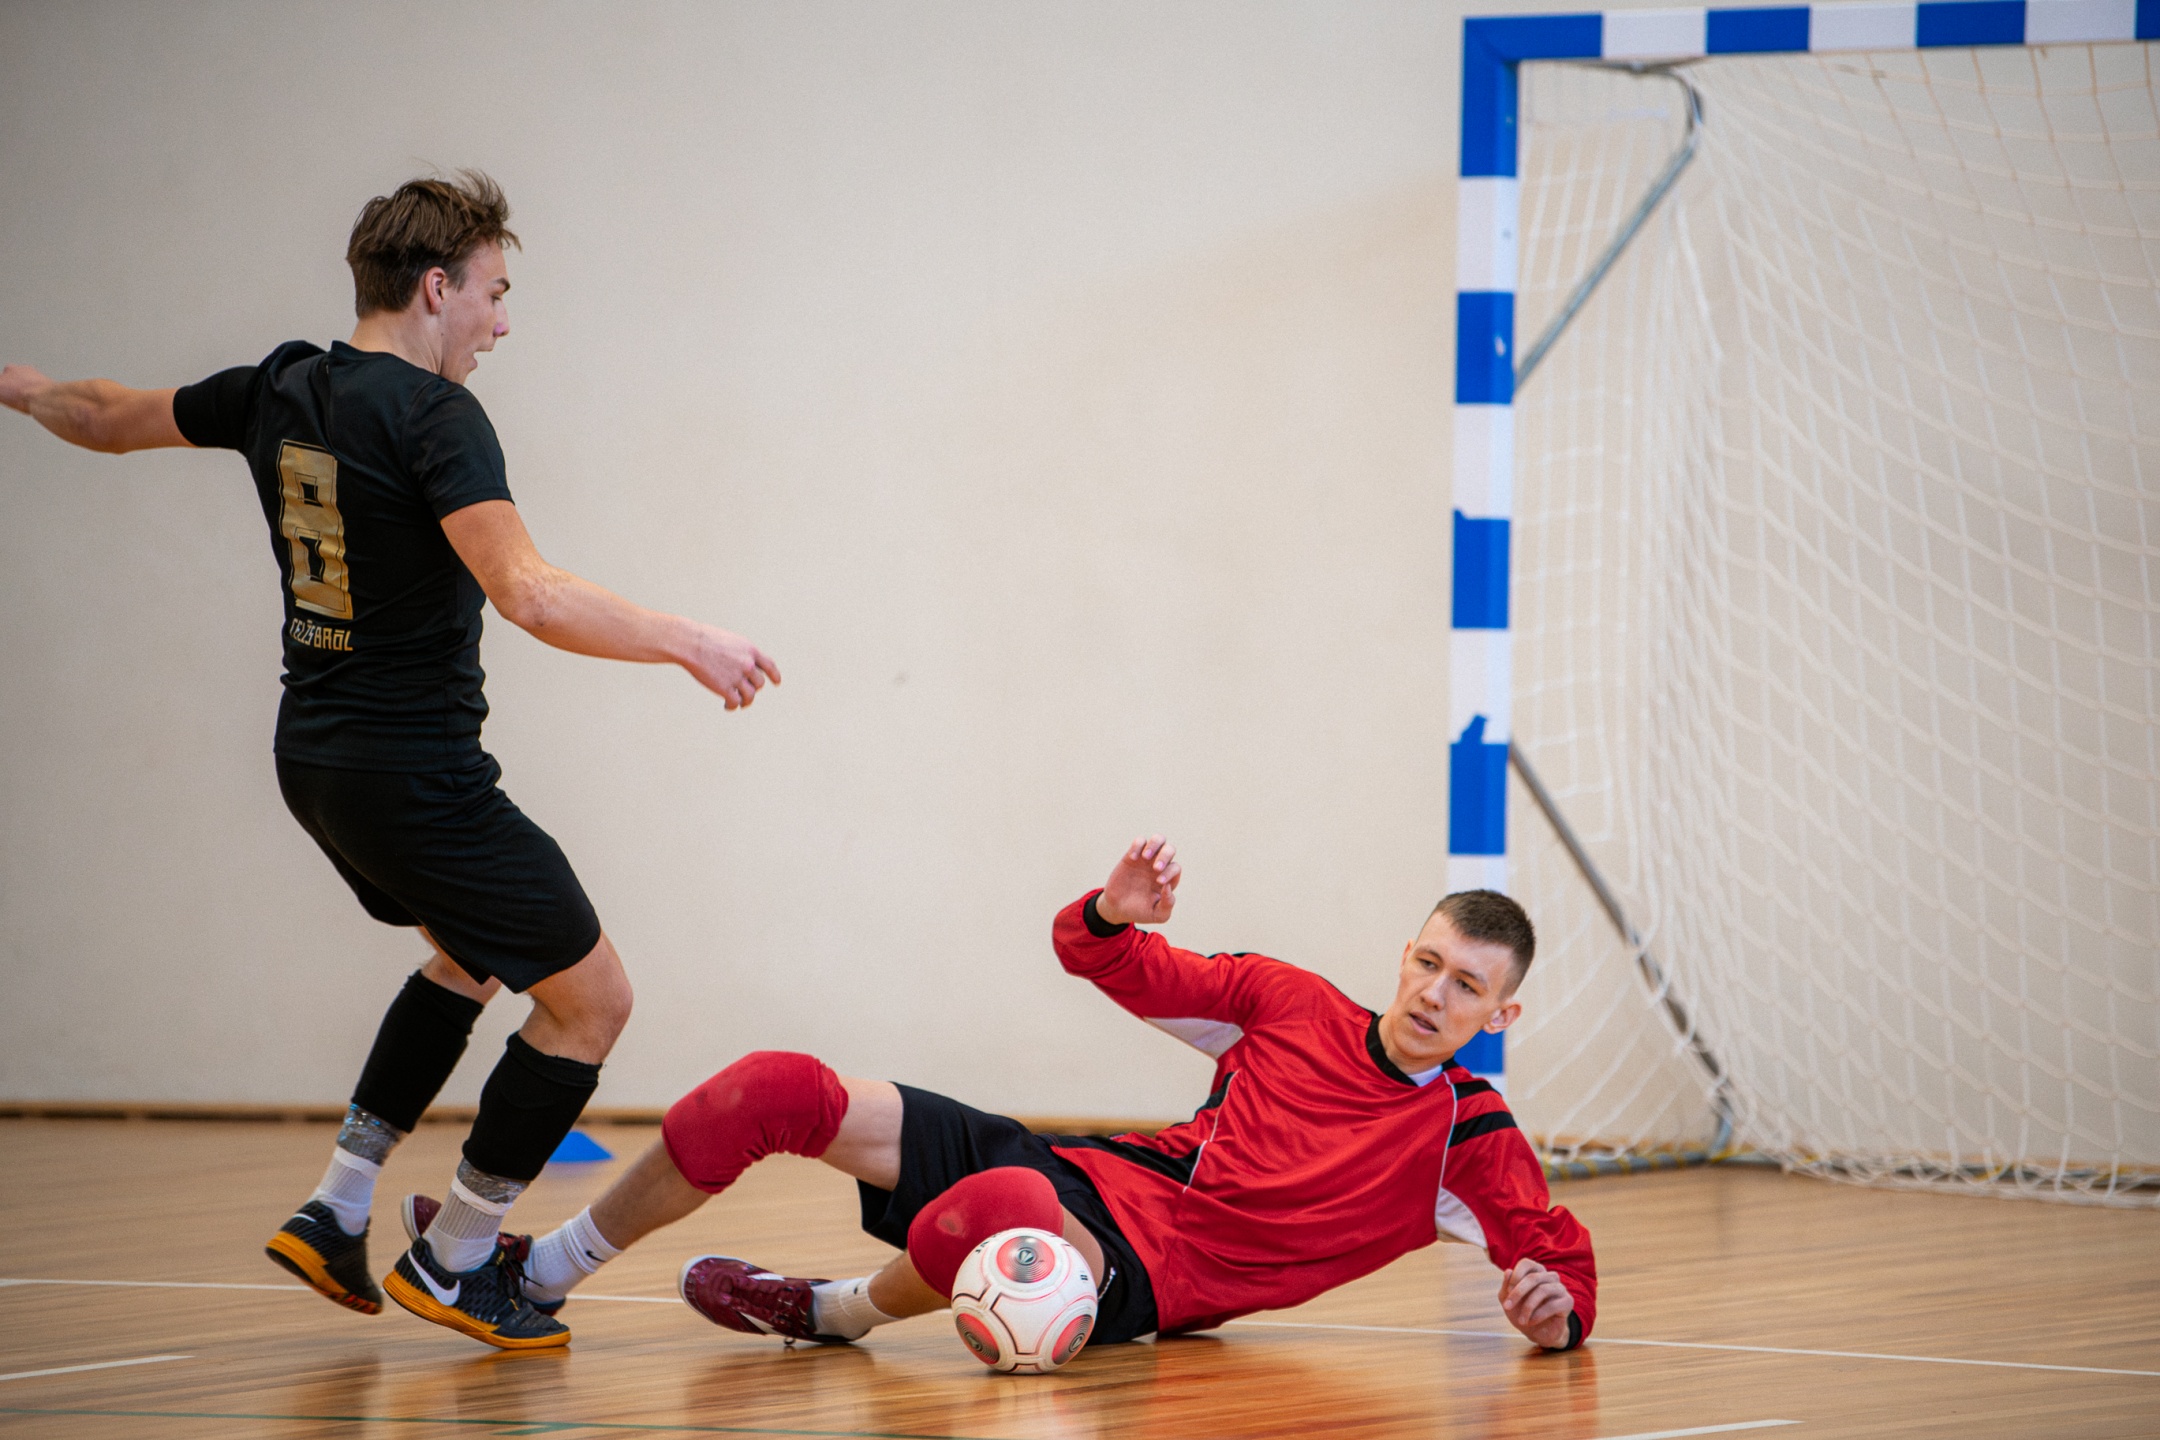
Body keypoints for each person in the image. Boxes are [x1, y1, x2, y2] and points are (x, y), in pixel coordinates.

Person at [0, 171, 782, 1352]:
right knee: (593, 1002)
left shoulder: (280, 387)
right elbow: (528, 592)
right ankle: (460, 1259)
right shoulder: (436, 417)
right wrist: (687, 640)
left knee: (473, 954)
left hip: (316, 764)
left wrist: (20, 389)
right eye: (494, 294)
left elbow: (106, 414)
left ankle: (338, 1206)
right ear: (435, 289)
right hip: (417, 776)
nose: (502, 323)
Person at [406, 835, 1596, 1356]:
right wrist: (1114, 912)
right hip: (1090, 1177)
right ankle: (535, 1274)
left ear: (1500, 1017)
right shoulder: (1287, 1002)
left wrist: (1557, 1316)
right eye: (1428, 963)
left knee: (996, 1213)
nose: (1435, 993)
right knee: (766, 1091)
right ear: (1404, 954)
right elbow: (1106, 960)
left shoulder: (1470, 1139)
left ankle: (829, 1313)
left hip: (1143, 1280)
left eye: (1468, 987)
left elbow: (1557, 1262)